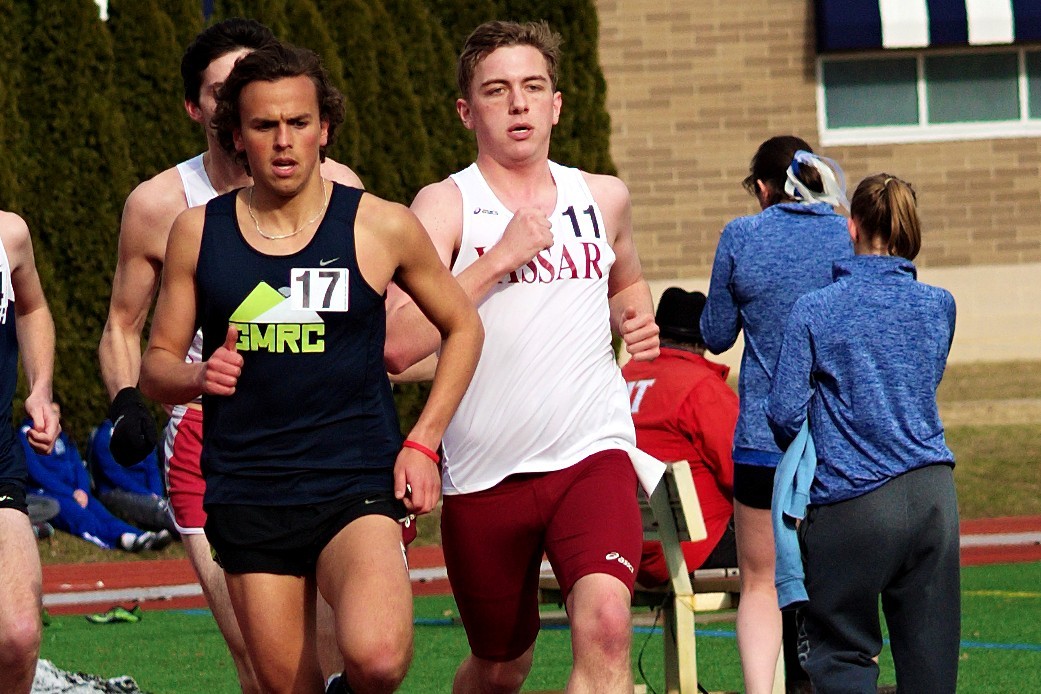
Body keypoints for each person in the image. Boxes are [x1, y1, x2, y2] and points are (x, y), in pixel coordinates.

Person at [140, 41, 482, 694]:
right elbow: (154, 368)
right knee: (285, 686)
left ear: (324, 127)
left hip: (353, 475)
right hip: (249, 485)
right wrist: (197, 376)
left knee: (377, 658)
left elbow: (462, 324)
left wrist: (424, 441)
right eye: (264, 125)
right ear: (236, 136)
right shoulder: (196, 232)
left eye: (298, 123)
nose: (283, 141)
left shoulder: (380, 226)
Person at [384, 20, 661, 693]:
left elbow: (624, 279)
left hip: (590, 453)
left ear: (555, 104)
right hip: (484, 474)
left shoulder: (602, 197)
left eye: (533, 87)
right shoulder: (445, 206)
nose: (518, 103)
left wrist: (636, 313)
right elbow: (396, 344)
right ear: (465, 110)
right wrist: (498, 260)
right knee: (501, 665)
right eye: (498, 90)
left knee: (606, 626)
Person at [97, 18, 365, 693]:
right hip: (207, 436)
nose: (236, 102)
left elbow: (375, 318)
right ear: (197, 106)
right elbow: (122, 325)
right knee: (263, 661)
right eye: (221, 91)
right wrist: (128, 401)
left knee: (342, 658)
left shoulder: (338, 187)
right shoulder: (161, 204)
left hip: (324, 435)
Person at [766, 174, 959, 693]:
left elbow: (782, 412)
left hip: (851, 499)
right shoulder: (939, 305)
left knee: (842, 656)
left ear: (850, 227)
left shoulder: (816, 308)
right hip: (931, 494)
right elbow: (923, 380)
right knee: (931, 666)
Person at [700, 136, 852, 693]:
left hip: (763, 438)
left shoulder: (743, 234)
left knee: (759, 582)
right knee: (835, 583)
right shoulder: (845, 233)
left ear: (763, 188)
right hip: (837, 440)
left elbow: (715, 334)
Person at [622, 288, 738, 588]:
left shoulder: (621, 378)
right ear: (703, 341)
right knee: (798, 546)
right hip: (692, 548)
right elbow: (742, 475)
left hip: (625, 547)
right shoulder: (700, 387)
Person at [0, 210, 60, 693]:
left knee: (18, 635)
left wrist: (40, 388)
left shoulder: (10, 233)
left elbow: (32, 308)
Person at [19, 405, 173, 552]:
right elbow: (37, 473)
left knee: (101, 512)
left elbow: (79, 467)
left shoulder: (64, 437)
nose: (54, 416)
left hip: (75, 493)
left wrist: (82, 490)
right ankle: (117, 539)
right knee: (82, 517)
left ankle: (137, 536)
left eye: (56, 412)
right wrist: (71, 493)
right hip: (48, 493)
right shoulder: (27, 433)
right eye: (50, 411)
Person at [90, 420, 177, 534]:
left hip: (148, 496)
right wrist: (148, 495)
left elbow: (152, 469)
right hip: (117, 492)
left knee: (172, 509)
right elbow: (113, 474)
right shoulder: (104, 434)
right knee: (166, 513)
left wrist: (156, 495)